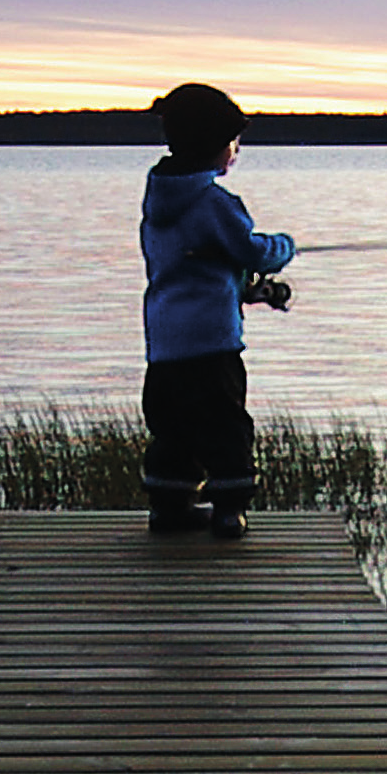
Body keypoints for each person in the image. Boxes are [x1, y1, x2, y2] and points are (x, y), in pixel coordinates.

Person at [137, 83, 295, 539]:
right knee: (226, 425)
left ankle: (169, 508)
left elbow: (194, 268)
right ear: (213, 145)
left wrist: (246, 291)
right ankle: (229, 510)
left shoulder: (157, 205)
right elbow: (251, 250)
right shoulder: (213, 202)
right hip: (213, 343)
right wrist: (284, 247)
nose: (236, 152)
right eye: (233, 143)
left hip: (165, 343)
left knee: (171, 428)